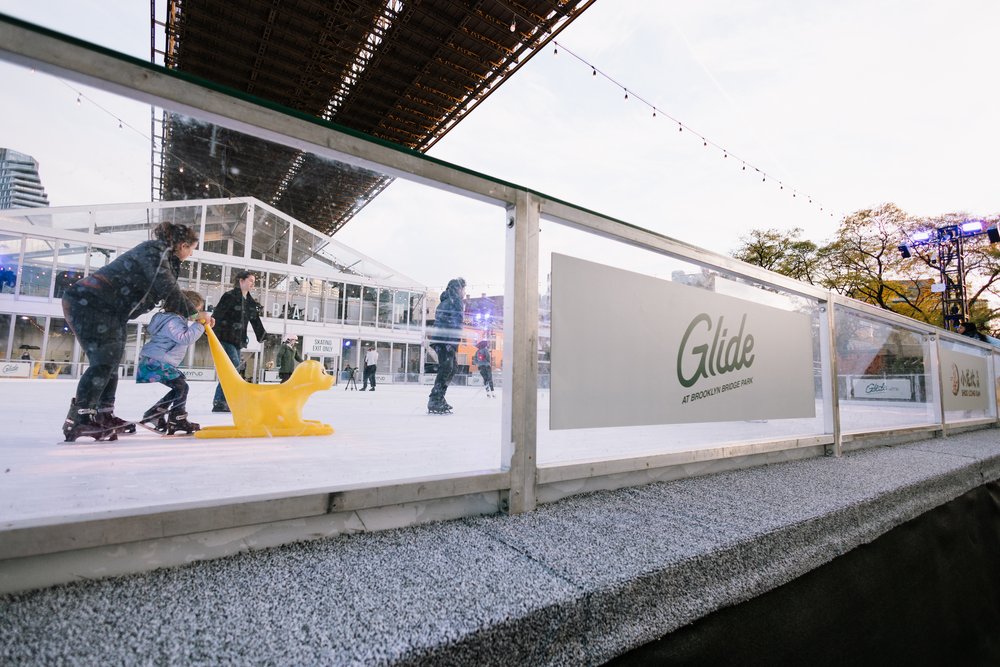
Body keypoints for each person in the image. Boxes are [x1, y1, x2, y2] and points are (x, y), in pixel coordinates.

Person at [61, 221, 213, 442]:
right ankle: (81, 417)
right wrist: (195, 315)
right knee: (104, 360)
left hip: (111, 310)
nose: (190, 254)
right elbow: (168, 288)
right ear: (182, 245)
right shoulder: (155, 251)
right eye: (191, 248)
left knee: (111, 360)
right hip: (89, 302)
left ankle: (104, 414)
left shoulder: (166, 258)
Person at [135, 290, 210, 434]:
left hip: (155, 360)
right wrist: (200, 324)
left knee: (179, 386)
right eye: (197, 310)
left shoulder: (169, 319)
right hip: (157, 360)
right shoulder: (172, 321)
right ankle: (176, 418)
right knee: (181, 386)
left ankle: (157, 413)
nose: (197, 314)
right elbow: (185, 338)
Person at [211, 270, 266, 412]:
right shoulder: (229, 296)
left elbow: (255, 319)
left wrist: (262, 335)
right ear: (241, 281)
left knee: (231, 371)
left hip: (237, 340)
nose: (253, 284)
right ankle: (220, 401)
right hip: (225, 337)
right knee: (233, 368)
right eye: (251, 281)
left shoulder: (249, 301)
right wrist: (212, 334)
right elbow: (217, 315)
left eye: (254, 282)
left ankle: (222, 401)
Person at [427, 277, 466, 414]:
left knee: (451, 367)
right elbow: (454, 323)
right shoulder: (455, 302)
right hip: (445, 340)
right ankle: (435, 399)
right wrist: (451, 342)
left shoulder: (446, 302)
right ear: (457, 289)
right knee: (447, 368)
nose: (464, 292)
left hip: (443, 340)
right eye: (463, 289)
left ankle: (439, 397)